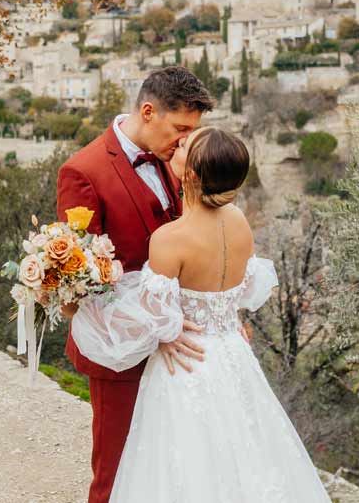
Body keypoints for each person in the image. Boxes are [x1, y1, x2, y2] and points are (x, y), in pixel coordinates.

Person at [71, 127, 333, 502]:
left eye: (185, 147)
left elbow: (151, 317)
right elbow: (239, 289)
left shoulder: (169, 239)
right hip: (233, 356)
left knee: (183, 468)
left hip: (186, 366)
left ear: (191, 175)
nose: (178, 142)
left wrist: (83, 300)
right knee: (246, 460)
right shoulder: (239, 221)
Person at [55, 66, 214, 503]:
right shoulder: (82, 172)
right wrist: (150, 329)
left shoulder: (173, 161)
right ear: (148, 111)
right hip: (119, 351)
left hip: (176, 347)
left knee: (164, 467)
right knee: (115, 470)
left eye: (192, 132)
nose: (185, 141)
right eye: (180, 128)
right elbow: (79, 284)